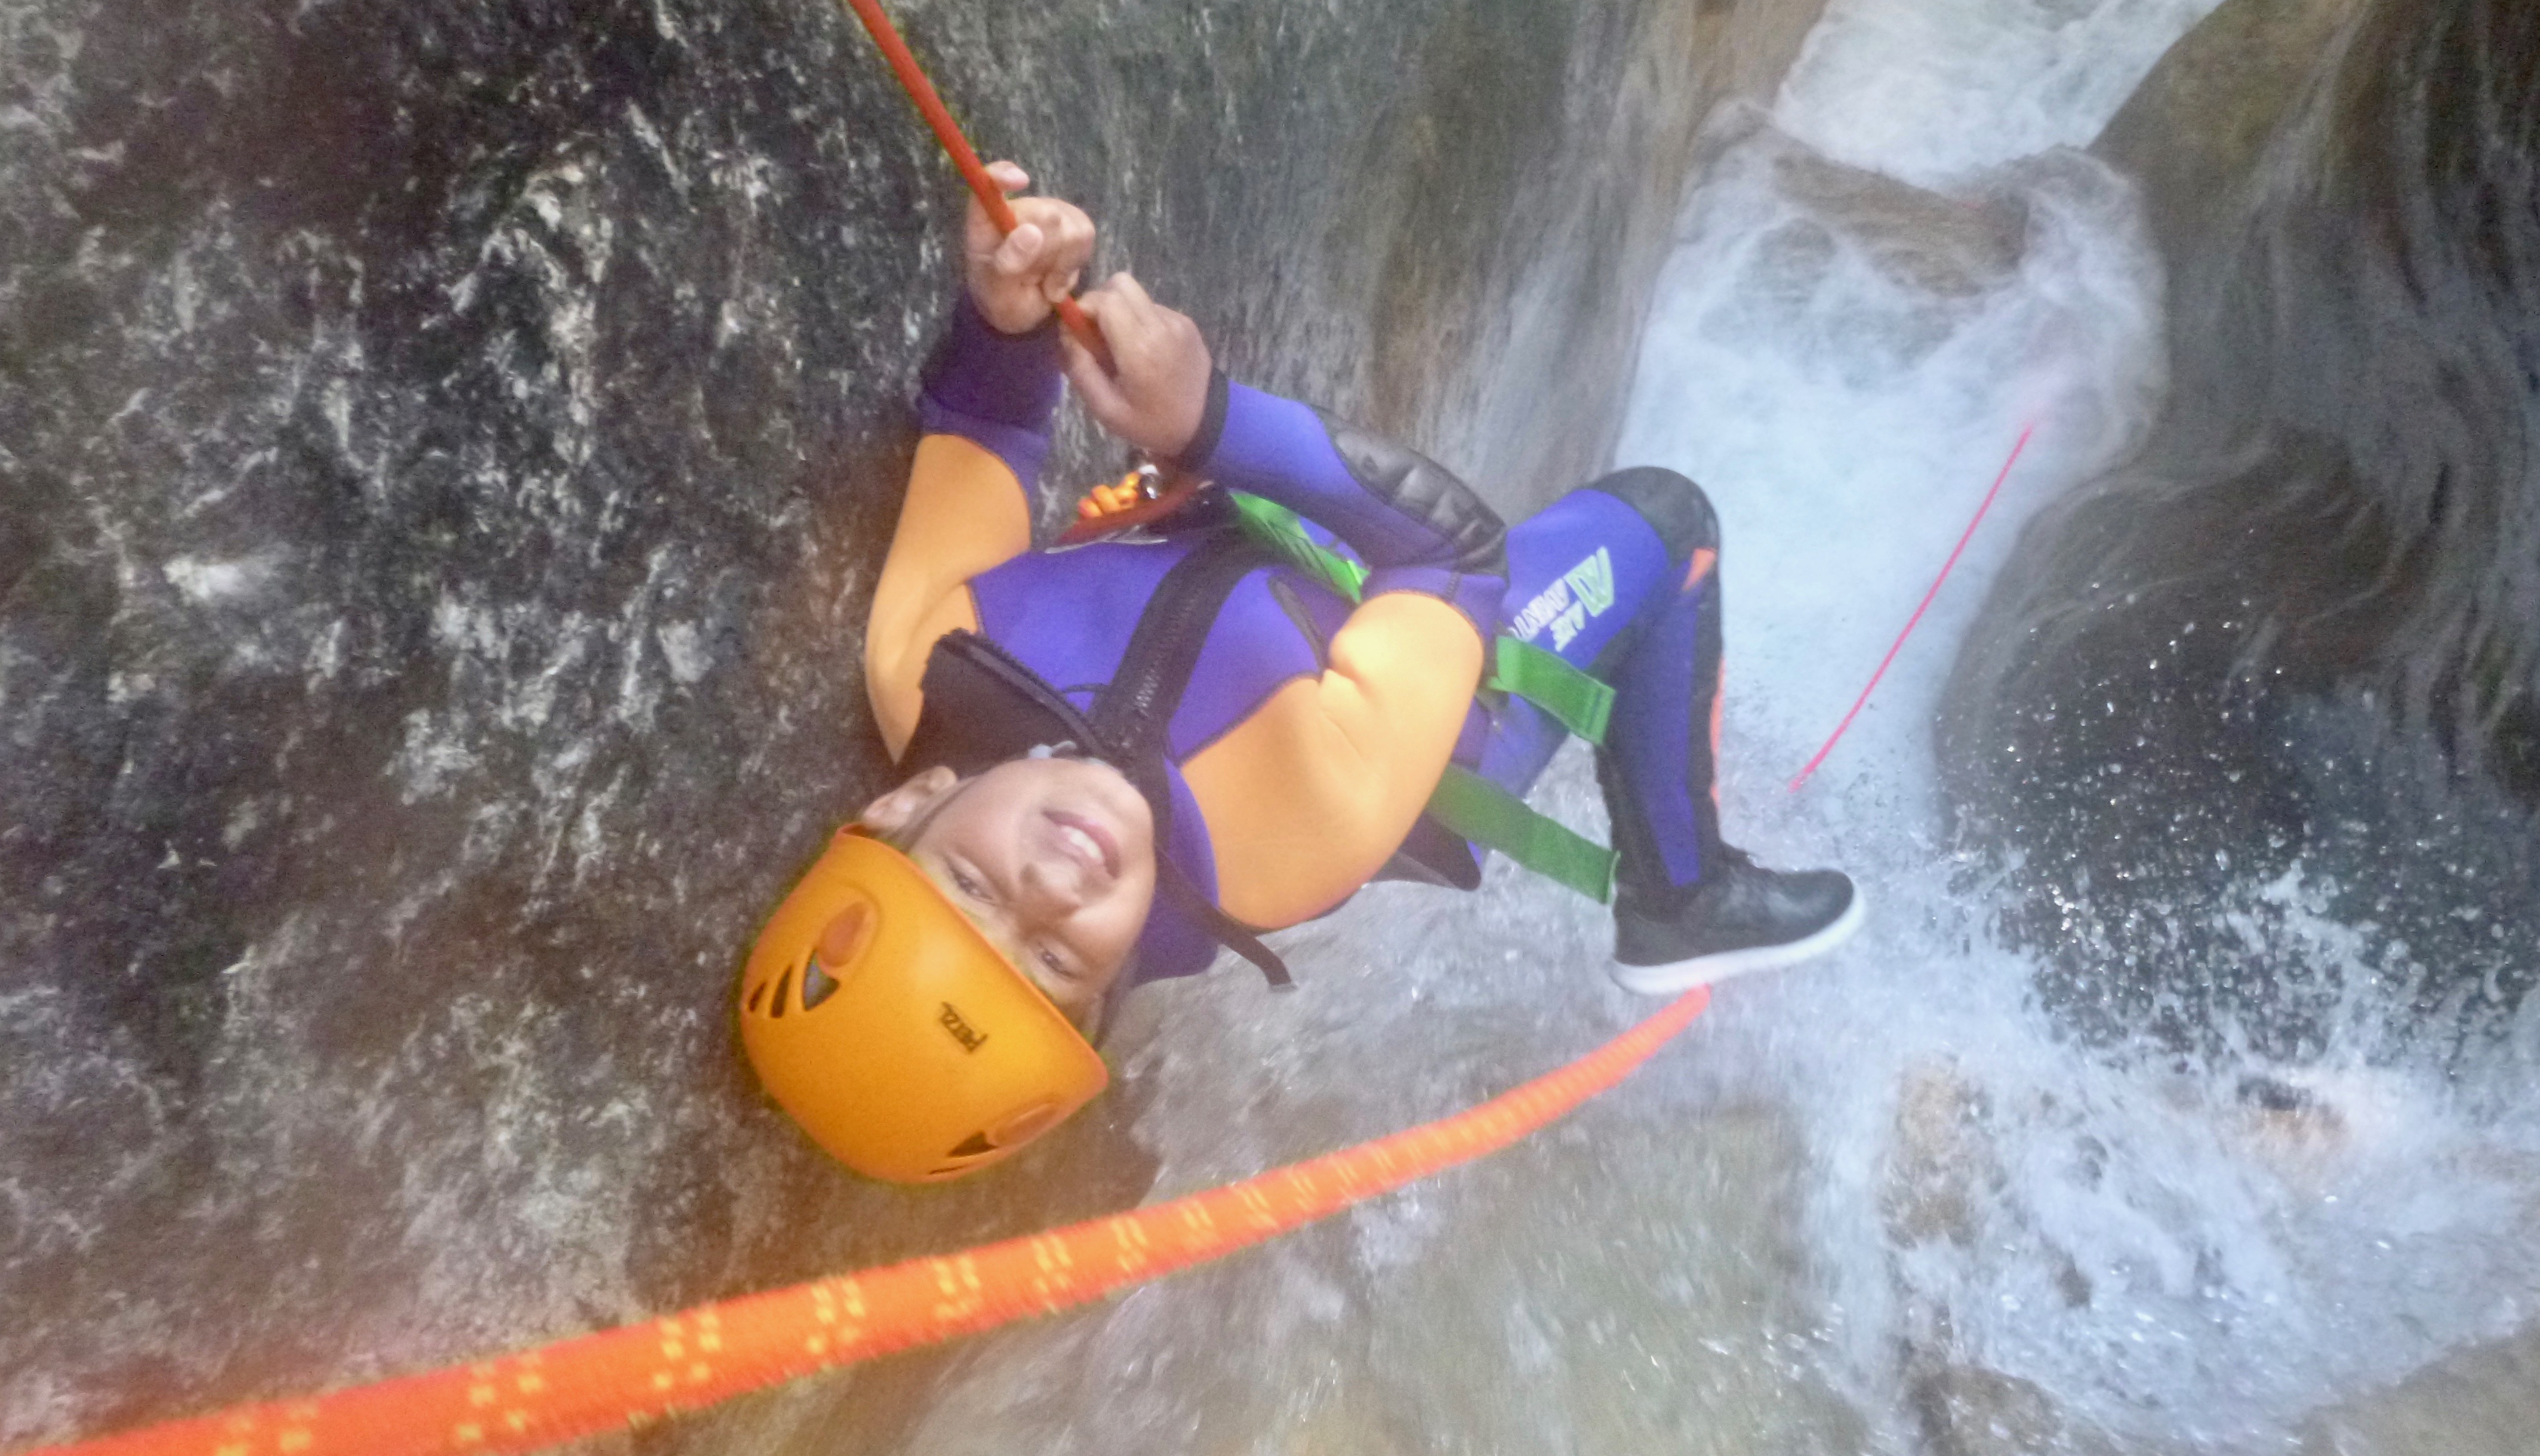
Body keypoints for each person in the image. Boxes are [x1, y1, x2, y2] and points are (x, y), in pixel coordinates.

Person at [736, 166, 1861, 1181]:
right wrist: (1212, 420)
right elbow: (1454, 554)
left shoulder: (928, 661)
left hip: (1285, 597)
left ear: (909, 801)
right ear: (1114, 980)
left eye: (972, 891)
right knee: (1672, 521)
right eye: (1053, 961)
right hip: (1443, 724)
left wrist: (1010, 314)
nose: (1049, 889)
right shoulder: (1290, 830)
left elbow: (981, 422)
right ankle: (1684, 896)